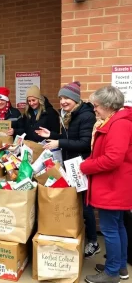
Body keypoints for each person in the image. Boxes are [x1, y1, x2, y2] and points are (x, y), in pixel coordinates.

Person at [36, 81, 99, 259]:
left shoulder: (86, 116)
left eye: (67, 98)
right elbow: (67, 138)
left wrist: (59, 142)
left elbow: (85, 143)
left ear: (75, 99)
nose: (63, 101)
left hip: (80, 165)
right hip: (70, 164)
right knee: (76, 202)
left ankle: (93, 242)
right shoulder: (69, 114)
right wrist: (53, 136)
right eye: (61, 98)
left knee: (85, 205)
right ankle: (80, 235)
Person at [80, 86, 132, 283]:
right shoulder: (117, 120)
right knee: (118, 226)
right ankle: (118, 266)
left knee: (111, 229)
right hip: (116, 184)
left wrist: (86, 166)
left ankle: (112, 274)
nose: (94, 109)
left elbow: (112, 158)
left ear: (109, 106)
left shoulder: (119, 125)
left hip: (113, 185)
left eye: (97, 106)